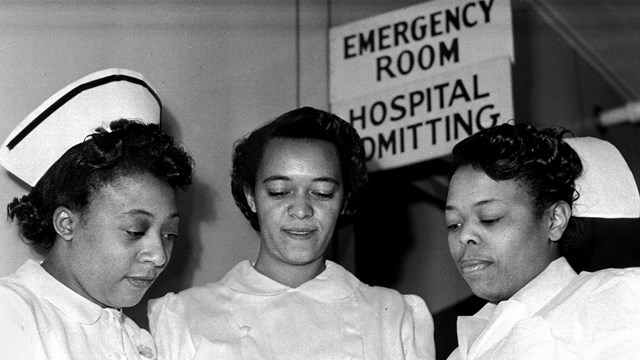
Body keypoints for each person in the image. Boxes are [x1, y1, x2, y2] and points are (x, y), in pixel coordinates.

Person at [149, 106, 435, 360]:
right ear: (251, 196)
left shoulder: (394, 316)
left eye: (322, 193)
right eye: (279, 191)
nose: (301, 210)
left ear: (344, 199)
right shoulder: (184, 316)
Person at [0, 69, 194, 360]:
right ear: (67, 224)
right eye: (135, 231)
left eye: (169, 235)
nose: (159, 256)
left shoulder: (135, 338)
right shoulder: (11, 315)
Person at [444, 123, 640, 360]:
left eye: (490, 218)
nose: (464, 236)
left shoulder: (614, 297)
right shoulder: (463, 351)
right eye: (454, 223)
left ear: (555, 220)